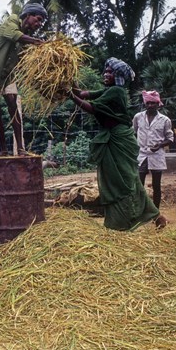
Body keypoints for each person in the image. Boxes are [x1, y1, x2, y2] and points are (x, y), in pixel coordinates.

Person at [68, 58, 167, 231]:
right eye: (105, 71)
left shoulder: (117, 91)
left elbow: (91, 107)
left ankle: (135, 219)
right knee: (120, 179)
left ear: (118, 76)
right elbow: (83, 94)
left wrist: (69, 95)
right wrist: (68, 79)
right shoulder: (109, 90)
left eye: (110, 72)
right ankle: (150, 216)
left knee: (126, 179)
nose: (106, 74)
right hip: (113, 137)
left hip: (119, 139)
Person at [0, 3, 47, 156]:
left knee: (13, 107)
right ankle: (3, 149)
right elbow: (16, 36)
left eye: (40, 22)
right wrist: (40, 43)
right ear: (27, 15)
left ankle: (21, 149)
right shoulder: (11, 22)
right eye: (37, 19)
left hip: (8, 75)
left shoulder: (25, 37)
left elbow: (24, 59)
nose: (38, 24)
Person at [132, 90, 174, 208]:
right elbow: (133, 132)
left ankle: (155, 211)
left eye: (153, 103)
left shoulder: (165, 120)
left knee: (156, 185)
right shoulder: (138, 117)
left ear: (158, 104)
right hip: (141, 155)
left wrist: (159, 145)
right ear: (145, 103)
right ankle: (140, 209)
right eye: (148, 103)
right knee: (139, 184)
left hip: (156, 155)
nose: (150, 105)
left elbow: (170, 138)